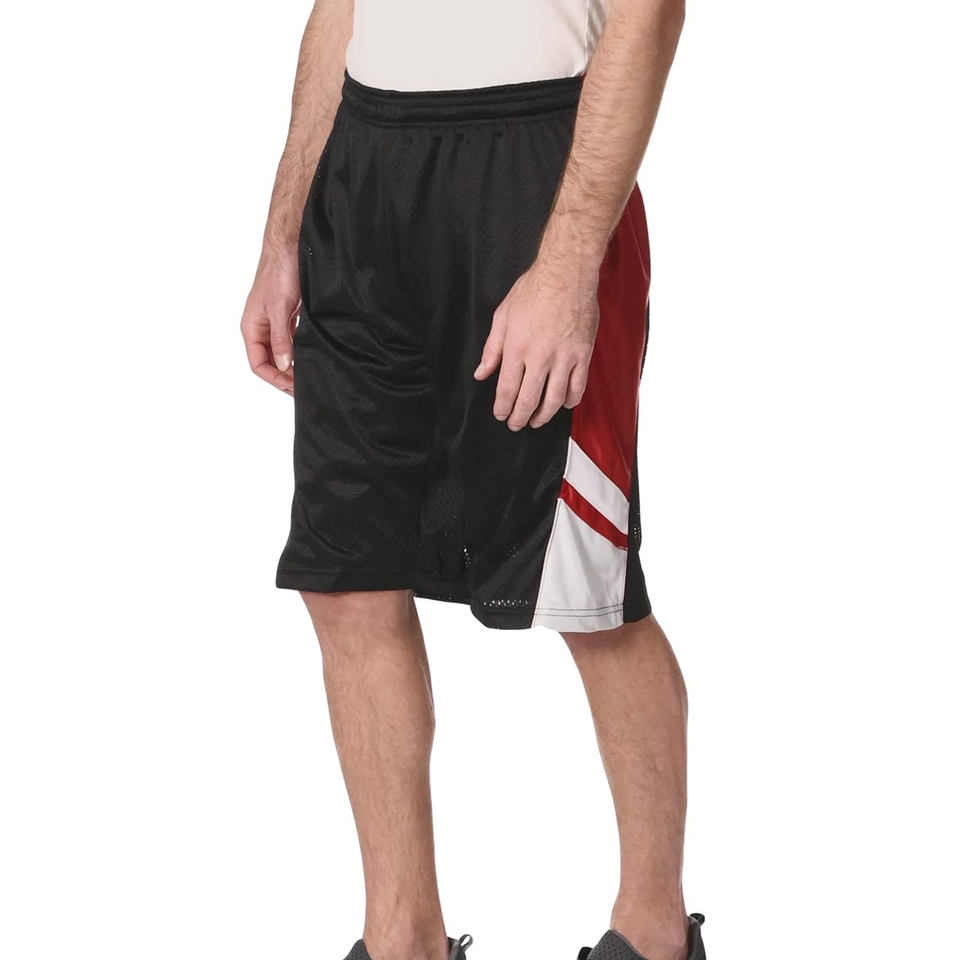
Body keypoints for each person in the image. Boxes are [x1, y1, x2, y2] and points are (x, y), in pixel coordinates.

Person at [240, 2, 702, 960]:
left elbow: (650, 15)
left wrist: (567, 266)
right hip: (364, 174)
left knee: (587, 590)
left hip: (537, 167)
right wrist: (283, 234)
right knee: (346, 577)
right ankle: (401, 937)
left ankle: (654, 933)